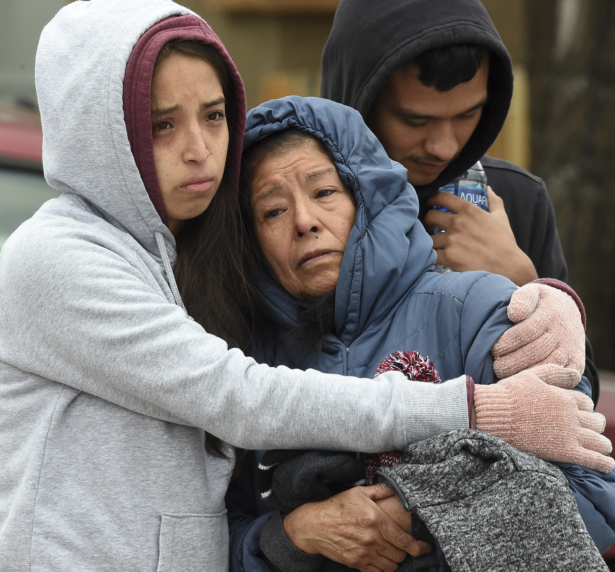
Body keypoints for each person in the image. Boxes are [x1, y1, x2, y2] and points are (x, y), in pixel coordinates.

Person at [0, 1, 521, 569]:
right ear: (100, 132)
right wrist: (471, 408)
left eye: (215, 115)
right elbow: (238, 397)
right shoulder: (56, 258)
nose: (199, 149)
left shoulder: (198, 259)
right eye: (163, 124)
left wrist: (538, 294)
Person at [227, 96, 615, 572]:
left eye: (324, 192)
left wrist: (419, 513)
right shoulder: (237, 361)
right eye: (272, 212)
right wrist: (293, 534)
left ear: (365, 197)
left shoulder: (478, 310)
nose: (304, 221)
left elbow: (593, 492)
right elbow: (214, 527)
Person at [319, 0, 601, 402]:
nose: (444, 146)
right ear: (357, 101)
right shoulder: (303, 205)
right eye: (416, 120)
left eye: (469, 114)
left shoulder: (517, 200)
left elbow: (579, 394)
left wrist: (523, 283)